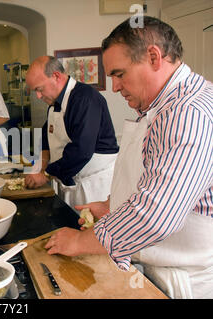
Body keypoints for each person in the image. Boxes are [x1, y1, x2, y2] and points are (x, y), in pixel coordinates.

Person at [44, 16, 213, 299]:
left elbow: (156, 215)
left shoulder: (188, 114)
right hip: (157, 263)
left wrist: (80, 241)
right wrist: (112, 205)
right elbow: (155, 175)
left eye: (119, 74)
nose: (114, 87)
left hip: (184, 280)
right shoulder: (161, 106)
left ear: (153, 57)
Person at [25, 56, 119, 208]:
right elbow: (46, 138)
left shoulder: (85, 99)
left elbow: (81, 150)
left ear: (56, 76)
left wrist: (46, 174)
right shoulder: (55, 104)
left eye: (39, 89)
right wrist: (40, 166)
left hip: (94, 188)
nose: (38, 96)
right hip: (71, 182)